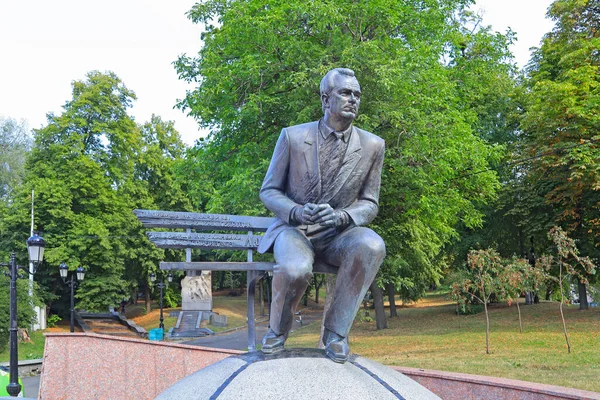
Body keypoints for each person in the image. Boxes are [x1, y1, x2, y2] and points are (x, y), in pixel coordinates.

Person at [257, 68, 386, 363]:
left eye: (357, 95)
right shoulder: (292, 137)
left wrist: (342, 217)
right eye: (345, 93)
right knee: (295, 270)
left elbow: (369, 202)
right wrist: (296, 211)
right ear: (325, 99)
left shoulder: (373, 146)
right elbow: (269, 191)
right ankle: (277, 332)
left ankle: (336, 334)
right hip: (295, 231)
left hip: (339, 235)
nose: (352, 99)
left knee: (372, 245)